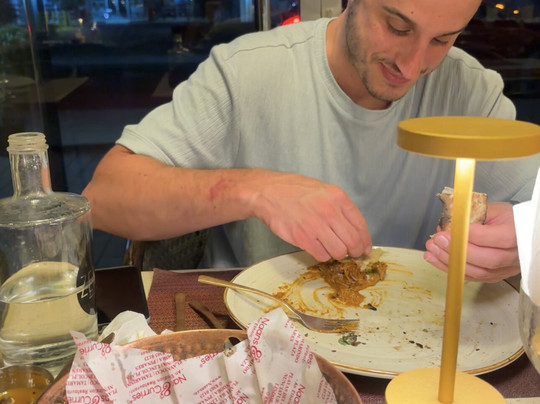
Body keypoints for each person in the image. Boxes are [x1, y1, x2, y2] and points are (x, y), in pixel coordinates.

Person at [83, 0, 540, 283]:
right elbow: (104, 198)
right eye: (397, 28)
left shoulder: (470, 91)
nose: (412, 66)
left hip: (416, 340)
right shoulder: (249, 71)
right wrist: (255, 190)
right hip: (257, 339)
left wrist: (525, 240)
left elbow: (532, 210)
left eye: (442, 40)